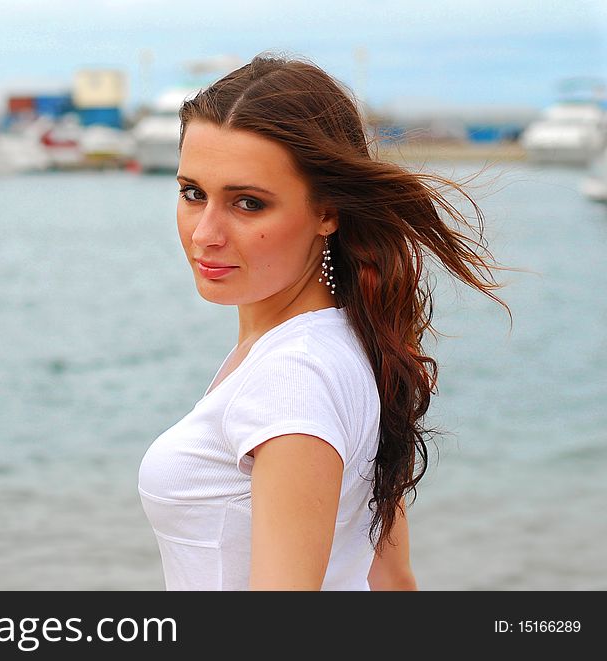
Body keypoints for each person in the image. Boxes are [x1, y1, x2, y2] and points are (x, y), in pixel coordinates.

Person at [137, 53, 511, 590]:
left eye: (248, 203)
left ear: (327, 212)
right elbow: (393, 580)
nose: (205, 234)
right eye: (193, 193)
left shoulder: (294, 378)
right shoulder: (349, 342)